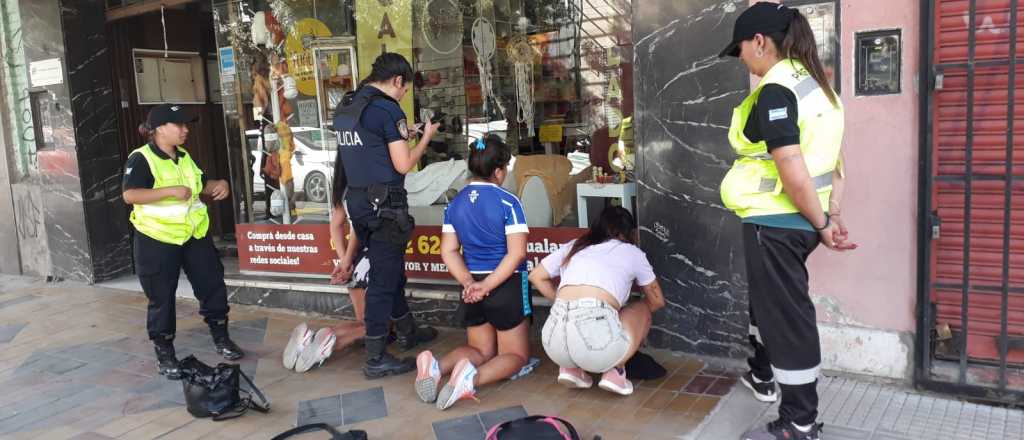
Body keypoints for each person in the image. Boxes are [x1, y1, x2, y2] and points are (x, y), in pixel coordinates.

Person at [718, 3, 857, 440]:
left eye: (740, 48)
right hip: (796, 221)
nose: (740, 58)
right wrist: (830, 214)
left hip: (776, 222)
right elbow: (832, 162)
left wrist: (821, 223)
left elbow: (792, 163)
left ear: (760, 42)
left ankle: (798, 422)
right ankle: (761, 373)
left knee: (787, 318)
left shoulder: (777, 90)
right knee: (769, 306)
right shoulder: (818, 87)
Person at [333, 53, 441, 378]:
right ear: (397, 81)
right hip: (386, 208)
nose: (403, 95)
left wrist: (403, 132)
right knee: (383, 281)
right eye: (405, 89)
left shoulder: (348, 106)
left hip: (359, 203)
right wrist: (425, 138)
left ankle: (407, 330)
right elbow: (403, 165)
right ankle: (376, 357)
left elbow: (370, 145)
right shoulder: (387, 108)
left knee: (389, 270)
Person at [122, 104, 244, 380]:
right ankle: (165, 354)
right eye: (180, 125)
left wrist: (217, 184)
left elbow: (200, 184)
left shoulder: (185, 156)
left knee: (212, 285)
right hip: (157, 238)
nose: (185, 130)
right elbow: (130, 195)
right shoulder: (141, 159)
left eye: (186, 125)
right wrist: (169, 191)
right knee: (161, 297)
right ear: (160, 129)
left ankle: (221, 338)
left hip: (194, 235)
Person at [414, 136, 531, 411]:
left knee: (481, 351)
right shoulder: (508, 202)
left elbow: (449, 251)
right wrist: (488, 284)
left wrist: (470, 282)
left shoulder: (454, 205)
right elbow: (516, 254)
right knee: (515, 355)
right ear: (499, 171)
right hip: (505, 284)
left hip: (471, 287)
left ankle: (436, 366)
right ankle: (471, 378)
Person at [528, 206, 665, 396]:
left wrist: (561, 301)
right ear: (629, 232)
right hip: (597, 344)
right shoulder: (632, 252)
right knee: (642, 308)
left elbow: (536, 276)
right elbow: (657, 301)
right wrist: (626, 319)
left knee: (599, 315)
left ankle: (571, 369)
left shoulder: (576, 245)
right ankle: (615, 371)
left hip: (553, 342)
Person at [282, 157, 369, 372]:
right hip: (371, 261)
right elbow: (358, 228)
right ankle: (326, 341)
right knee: (377, 327)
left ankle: (310, 340)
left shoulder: (344, 188)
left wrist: (344, 261)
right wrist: (347, 259)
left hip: (355, 262)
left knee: (363, 324)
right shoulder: (366, 185)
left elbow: (336, 226)